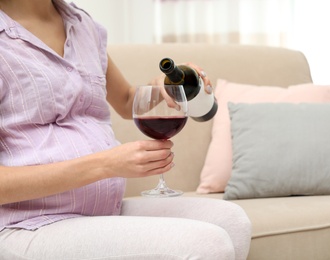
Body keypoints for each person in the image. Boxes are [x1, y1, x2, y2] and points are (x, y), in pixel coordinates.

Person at [0, 0, 252, 259]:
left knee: (232, 222)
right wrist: (105, 165)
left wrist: (162, 87)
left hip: (104, 211)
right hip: (27, 225)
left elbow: (126, 100)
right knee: (207, 244)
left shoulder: (82, 24)